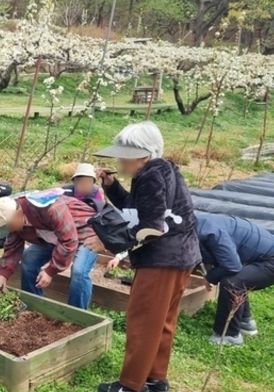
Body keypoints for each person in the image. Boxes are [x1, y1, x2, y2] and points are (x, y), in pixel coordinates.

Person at [85, 121, 200, 392]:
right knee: (162, 321)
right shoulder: (160, 170)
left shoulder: (151, 176)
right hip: (179, 257)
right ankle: (155, 379)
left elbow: (151, 226)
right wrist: (112, 185)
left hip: (162, 259)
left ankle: (130, 385)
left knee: (144, 322)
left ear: (143, 155)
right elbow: (139, 208)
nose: (119, 161)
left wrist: (107, 241)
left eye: (124, 156)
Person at [196, 214, 274, 346]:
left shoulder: (211, 232)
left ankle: (229, 335)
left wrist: (209, 277)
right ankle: (245, 322)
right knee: (236, 279)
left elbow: (232, 266)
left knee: (233, 283)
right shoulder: (200, 224)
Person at [0, 192, 98, 310]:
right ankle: (35, 306)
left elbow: (69, 240)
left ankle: (77, 314)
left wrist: (50, 271)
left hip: (84, 232)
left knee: (79, 271)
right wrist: (3, 275)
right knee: (29, 258)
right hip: (55, 236)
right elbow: (12, 247)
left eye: (9, 226)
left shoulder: (50, 208)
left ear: (18, 214)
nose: (9, 230)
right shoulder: (14, 222)